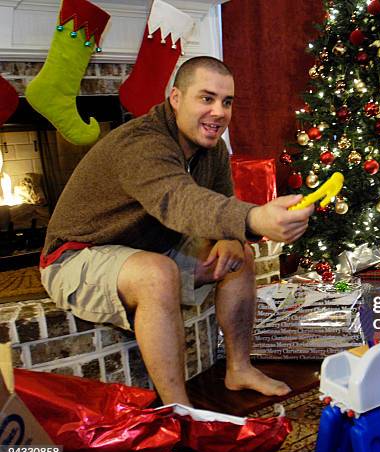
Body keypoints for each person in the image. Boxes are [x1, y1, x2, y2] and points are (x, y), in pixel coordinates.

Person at [39, 56, 314, 407]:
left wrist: (231, 237)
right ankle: (180, 411)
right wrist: (254, 219)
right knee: (157, 273)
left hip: (148, 245)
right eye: (206, 98)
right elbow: (178, 200)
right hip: (76, 255)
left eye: (226, 102)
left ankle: (239, 368)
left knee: (238, 255)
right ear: (175, 98)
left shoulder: (211, 149)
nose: (218, 112)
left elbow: (218, 204)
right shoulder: (141, 143)